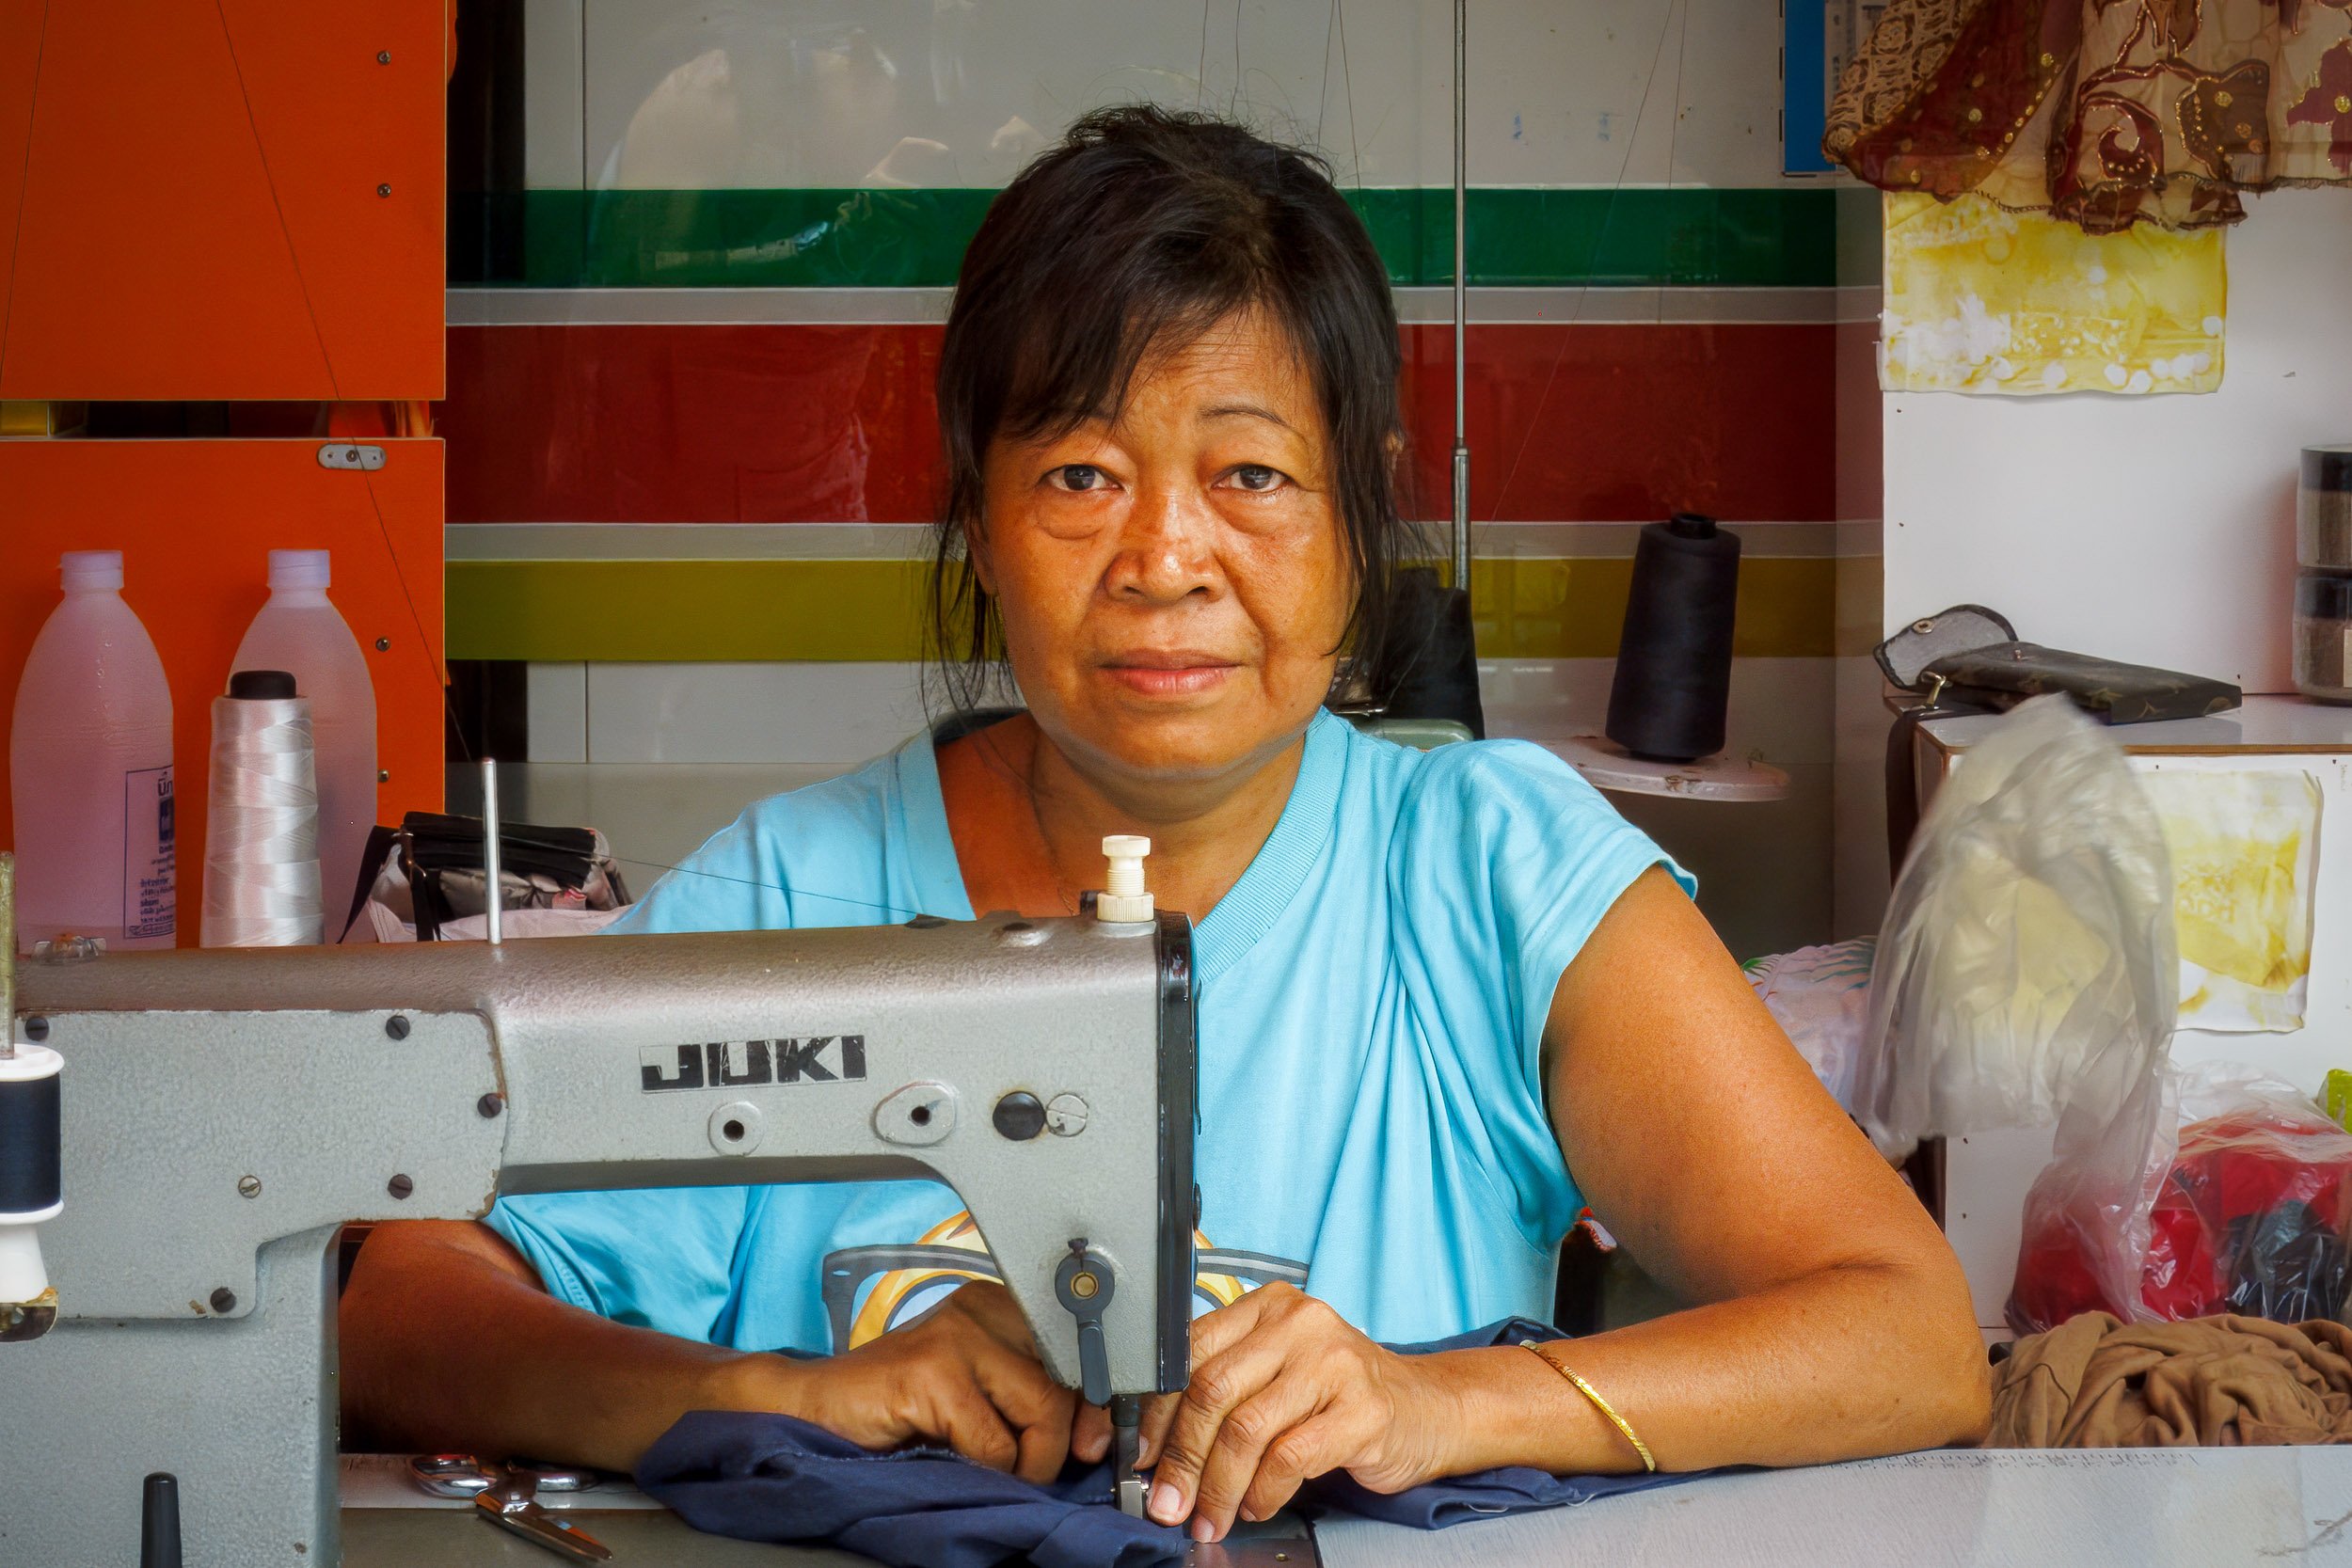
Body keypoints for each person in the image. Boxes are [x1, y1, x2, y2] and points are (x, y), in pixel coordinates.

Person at [343, 105, 1988, 1544]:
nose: (1164, 558)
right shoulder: (799, 888)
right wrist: (785, 1395)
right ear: (976, 518)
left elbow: (1905, 1336)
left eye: (1253, 475)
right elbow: (407, 1315)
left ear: (1364, 512)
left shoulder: (1492, 872)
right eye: (1078, 475)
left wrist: (1448, 1407)